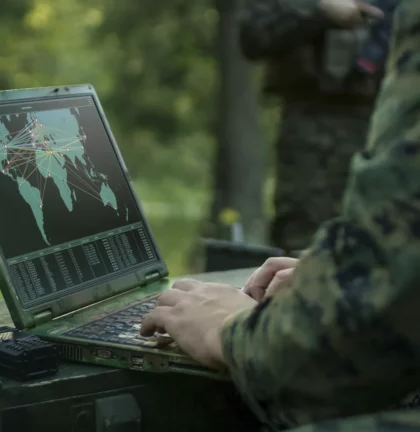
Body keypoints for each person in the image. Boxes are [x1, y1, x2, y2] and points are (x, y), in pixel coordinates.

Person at [141, 1, 420, 429]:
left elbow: (321, 369)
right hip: (315, 135)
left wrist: (234, 332)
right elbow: (255, 31)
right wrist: (340, 281)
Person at [239, 0, 393, 253]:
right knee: (303, 239)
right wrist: (319, 10)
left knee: (386, 236)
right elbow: (253, 34)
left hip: (390, 125)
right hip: (313, 129)